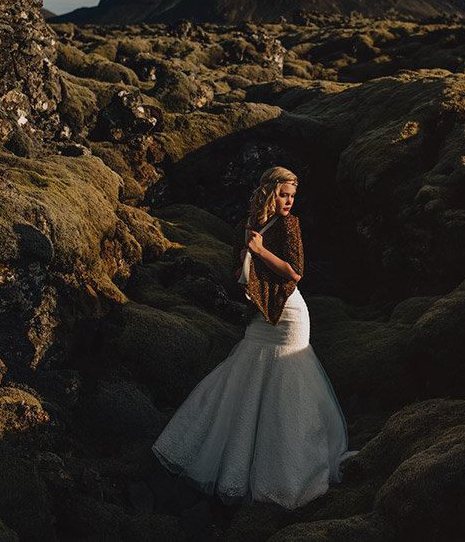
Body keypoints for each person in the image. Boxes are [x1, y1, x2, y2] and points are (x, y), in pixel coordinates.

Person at [151, 166, 357, 510]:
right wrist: (247, 254)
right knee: (245, 379)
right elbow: (238, 273)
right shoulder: (244, 228)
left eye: (292, 196)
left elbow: (296, 271)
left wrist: (260, 252)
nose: (288, 202)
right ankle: (235, 468)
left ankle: (288, 472)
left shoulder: (289, 226)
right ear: (268, 192)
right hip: (259, 314)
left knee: (287, 387)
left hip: (289, 313)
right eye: (283, 194)